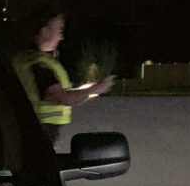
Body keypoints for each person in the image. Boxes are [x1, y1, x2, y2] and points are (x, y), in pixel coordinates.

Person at [11, 8, 115, 146]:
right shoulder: (40, 65)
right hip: (39, 131)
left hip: (26, 129)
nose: (61, 37)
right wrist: (96, 89)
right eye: (59, 31)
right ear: (44, 30)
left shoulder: (23, 59)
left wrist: (88, 90)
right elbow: (61, 97)